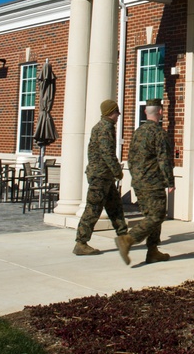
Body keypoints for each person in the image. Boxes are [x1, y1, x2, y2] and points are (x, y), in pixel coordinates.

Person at [115, 98, 174, 265]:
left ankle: (153, 251)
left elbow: (130, 158)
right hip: (153, 182)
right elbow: (164, 160)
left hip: (139, 182)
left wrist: (136, 177)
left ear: (145, 112)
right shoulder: (158, 133)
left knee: (151, 215)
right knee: (157, 215)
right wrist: (170, 182)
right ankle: (128, 240)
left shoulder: (137, 132)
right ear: (160, 112)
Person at [73, 99, 129, 256]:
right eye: (117, 112)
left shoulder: (104, 127)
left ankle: (123, 236)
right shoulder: (104, 128)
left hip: (105, 176)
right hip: (100, 176)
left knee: (115, 206)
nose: (118, 115)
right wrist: (117, 171)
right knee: (93, 208)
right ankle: (81, 242)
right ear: (111, 112)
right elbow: (107, 153)